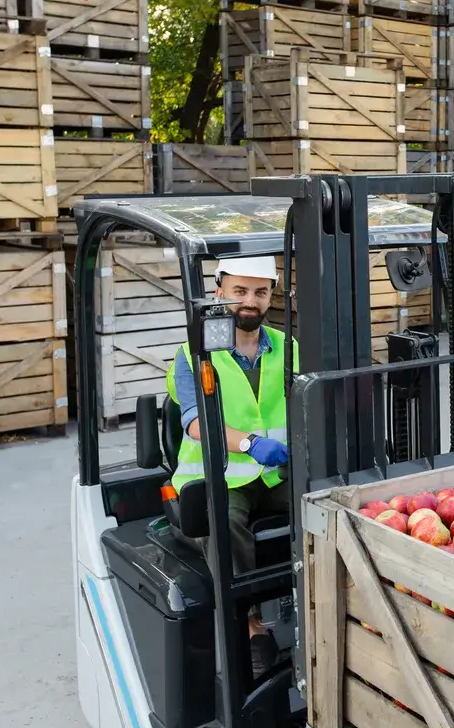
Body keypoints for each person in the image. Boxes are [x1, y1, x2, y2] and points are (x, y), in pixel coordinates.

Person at [164, 254, 298, 678]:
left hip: (275, 471)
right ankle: (251, 623)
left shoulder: (288, 347)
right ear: (219, 289)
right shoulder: (194, 353)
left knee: (329, 496)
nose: (249, 301)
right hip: (218, 474)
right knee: (222, 517)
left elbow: (308, 401)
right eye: (239, 291)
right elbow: (194, 420)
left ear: (271, 295)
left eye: (260, 292)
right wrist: (249, 442)